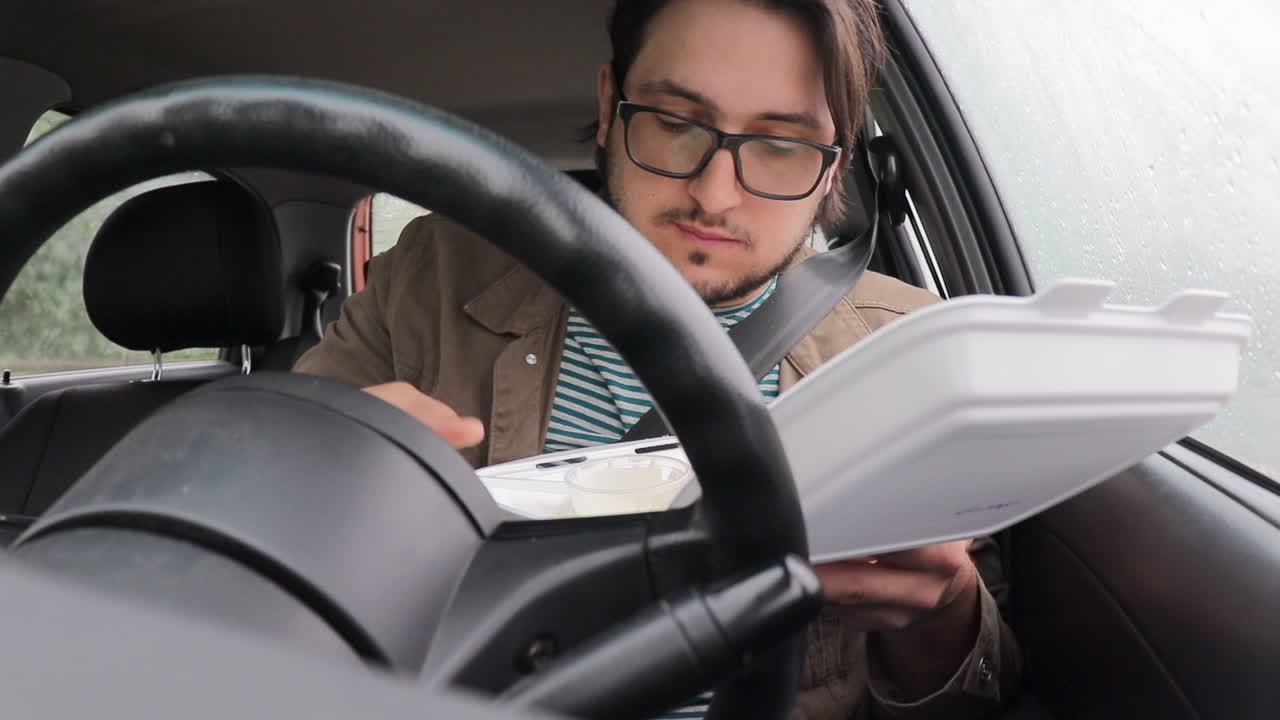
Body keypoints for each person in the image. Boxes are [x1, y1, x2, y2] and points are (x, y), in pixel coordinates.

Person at [294, 0, 1021, 717]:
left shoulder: (909, 354)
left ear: (836, 165)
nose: (714, 194)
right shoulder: (434, 273)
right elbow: (270, 550)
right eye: (675, 124)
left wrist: (943, 610)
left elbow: (976, 692)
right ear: (611, 104)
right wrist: (324, 479)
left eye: (781, 145)